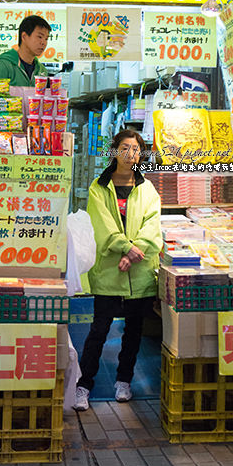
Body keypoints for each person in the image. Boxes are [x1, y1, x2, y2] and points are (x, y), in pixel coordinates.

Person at [74, 129, 162, 411]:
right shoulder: (98, 187)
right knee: (98, 329)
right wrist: (125, 248)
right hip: (110, 270)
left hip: (139, 270)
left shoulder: (147, 189)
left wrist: (135, 251)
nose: (130, 154)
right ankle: (83, 385)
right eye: (124, 148)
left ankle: (124, 380)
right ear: (114, 151)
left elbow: (153, 225)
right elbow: (102, 226)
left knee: (134, 330)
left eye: (135, 149)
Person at [0, 15, 51, 84]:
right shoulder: (1, 66)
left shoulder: (42, 71)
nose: (43, 42)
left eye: (46, 38)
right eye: (40, 37)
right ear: (24, 37)